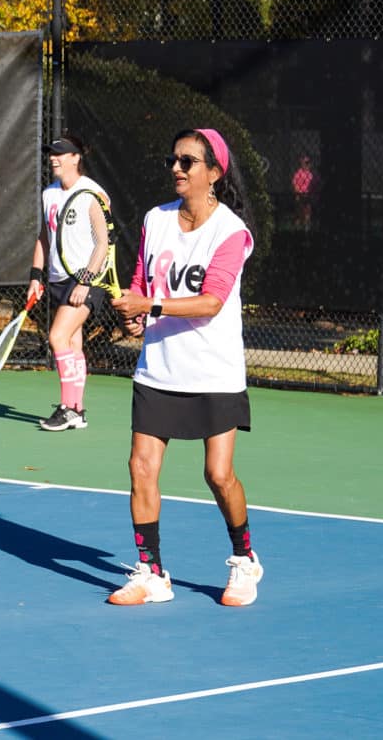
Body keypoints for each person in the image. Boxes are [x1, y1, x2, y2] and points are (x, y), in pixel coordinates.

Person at [106, 128, 262, 607]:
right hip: (158, 369)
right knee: (141, 467)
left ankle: (245, 559)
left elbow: (212, 301)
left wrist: (149, 305)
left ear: (213, 173)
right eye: (173, 159)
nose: (176, 168)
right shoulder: (156, 220)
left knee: (218, 474)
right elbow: (141, 282)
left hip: (214, 371)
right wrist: (135, 314)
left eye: (187, 161)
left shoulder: (231, 231)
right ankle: (152, 573)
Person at [26, 134, 115, 432]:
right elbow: (44, 236)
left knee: (57, 337)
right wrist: (36, 276)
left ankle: (67, 408)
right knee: (73, 344)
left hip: (88, 279)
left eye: (61, 153)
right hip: (57, 278)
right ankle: (77, 409)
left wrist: (86, 281)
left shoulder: (93, 193)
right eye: (51, 153)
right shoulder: (48, 194)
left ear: (76, 157)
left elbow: (103, 243)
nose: (54, 158)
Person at [291, 154, 315, 230]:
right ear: (302, 163)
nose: (308, 165)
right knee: (299, 214)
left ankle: (306, 229)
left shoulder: (310, 174)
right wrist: (298, 195)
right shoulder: (298, 173)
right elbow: (295, 185)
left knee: (307, 212)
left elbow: (312, 186)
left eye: (309, 163)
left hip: (308, 195)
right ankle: (297, 229)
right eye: (306, 163)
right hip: (300, 195)